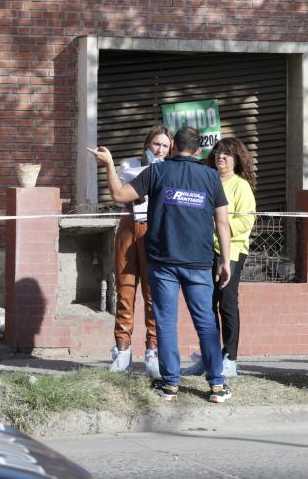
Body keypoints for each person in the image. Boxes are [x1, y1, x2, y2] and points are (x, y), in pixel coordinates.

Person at [87, 127, 234, 404]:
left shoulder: (157, 172)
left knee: (166, 323)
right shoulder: (212, 177)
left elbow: (119, 195)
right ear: (200, 150)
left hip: (162, 261)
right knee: (206, 323)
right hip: (200, 263)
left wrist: (107, 164)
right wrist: (225, 260)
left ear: (175, 145)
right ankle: (217, 385)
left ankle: (170, 386)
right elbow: (222, 222)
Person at [183, 138, 257, 378]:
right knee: (206, 305)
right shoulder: (208, 180)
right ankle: (210, 357)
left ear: (237, 159)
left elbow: (246, 221)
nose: (220, 157)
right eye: (217, 153)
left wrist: (219, 225)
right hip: (204, 251)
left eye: (227, 154)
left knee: (227, 303)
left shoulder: (241, 186)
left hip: (233, 251)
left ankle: (230, 358)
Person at [109, 125, 171, 378]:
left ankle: (152, 353)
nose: (160, 149)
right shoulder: (130, 164)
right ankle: (122, 352)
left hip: (154, 230)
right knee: (125, 290)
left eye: (165, 146)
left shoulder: (169, 168)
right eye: (157, 144)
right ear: (147, 143)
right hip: (128, 226)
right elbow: (125, 190)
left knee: (152, 293)